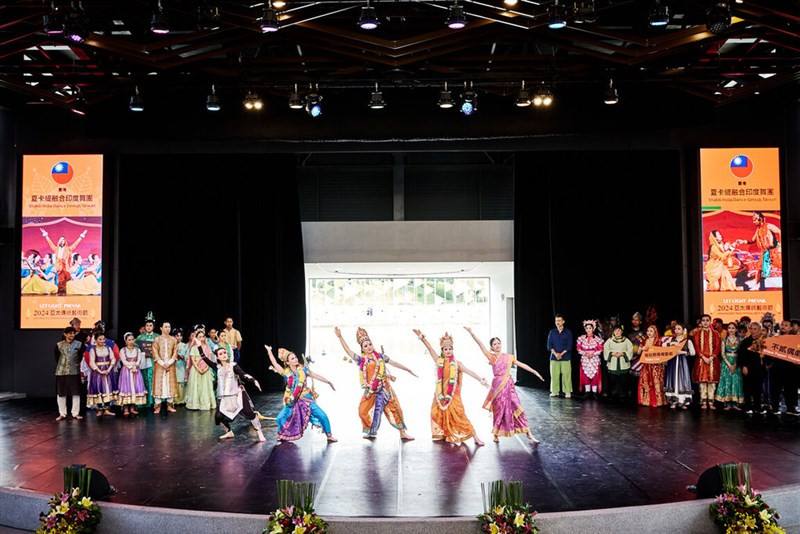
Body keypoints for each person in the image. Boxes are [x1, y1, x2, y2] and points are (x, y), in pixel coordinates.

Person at [333, 326, 417, 440]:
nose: (368, 347)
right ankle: (371, 431)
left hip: (384, 388)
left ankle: (403, 433)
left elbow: (394, 363)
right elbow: (348, 352)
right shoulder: (361, 360)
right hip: (370, 390)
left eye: (370, 344)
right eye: (365, 346)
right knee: (362, 411)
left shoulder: (381, 357)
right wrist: (340, 337)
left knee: (394, 409)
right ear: (362, 348)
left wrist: (408, 369)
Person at [464, 326, 544, 443]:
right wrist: (471, 332)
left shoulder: (508, 357)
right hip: (498, 387)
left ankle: (529, 434)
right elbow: (480, 344)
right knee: (499, 411)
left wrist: (534, 371)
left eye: (498, 343)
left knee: (518, 408)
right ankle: (495, 434)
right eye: (495, 344)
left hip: (509, 387)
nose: (497, 345)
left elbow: (521, 364)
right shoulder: (491, 357)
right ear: (492, 346)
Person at [413, 330, 487, 446]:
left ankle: (475, 437)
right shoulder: (439, 361)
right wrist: (422, 338)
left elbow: (469, 371)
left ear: (453, 349)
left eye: (450, 349)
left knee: (460, 416)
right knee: (436, 413)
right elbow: (430, 348)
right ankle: (446, 433)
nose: (448, 351)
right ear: (442, 351)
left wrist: (480, 379)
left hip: (453, 395)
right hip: (440, 394)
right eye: (445, 349)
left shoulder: (457, 364)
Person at [266, 345, 337, 443]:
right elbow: (274, 363)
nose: (295, 359)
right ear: (287, 362)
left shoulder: (303, 370)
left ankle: (329, 435)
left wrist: (328, 381)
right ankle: (282, 434)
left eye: (295, 357)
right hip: (292, 401)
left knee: (322, 415)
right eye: (292, 358)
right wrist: (269, 351)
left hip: (307, 400)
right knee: (280, 418)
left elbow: (316, 375)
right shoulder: (286, 372)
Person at [202, 346, 265, 442]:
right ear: (217, 357)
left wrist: (253, 380)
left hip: (237, 394)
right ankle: (229, 432)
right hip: (224, 397)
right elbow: (204, 358)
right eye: (221, 354)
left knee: (249, 413)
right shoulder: (217, 367)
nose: (223, 355)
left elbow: (243, 375)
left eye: (224, 353)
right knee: (218, 417)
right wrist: (199, 346)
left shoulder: (233, 366)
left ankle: (259, 432)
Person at [40, 227, 87, 296]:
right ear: (59, 241)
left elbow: (76, 244)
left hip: (65, 267)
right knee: (56, 279)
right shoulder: (56, 249)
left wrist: (81, 236)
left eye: (63, 240)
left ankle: (64, 291)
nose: (62, 241)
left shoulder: (68, 249)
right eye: (61, 240)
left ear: (65, 242)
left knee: (65, 279)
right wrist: (46, 235)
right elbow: (50, 243)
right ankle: (56, 290)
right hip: (57, 267)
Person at [767, 320, 799, 416]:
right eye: (782, 325)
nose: (783, 327)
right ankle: (775, 408)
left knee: (791, 389)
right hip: (776, 368)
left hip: (790, 368)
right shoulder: (775, 338)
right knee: (775, 389)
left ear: (790, 328)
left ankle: (791, 408)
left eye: (786, 325)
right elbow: (768, 351)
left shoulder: (795, 339)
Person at [692, 314, 721, 410]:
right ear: (701, 322)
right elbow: (696, 346)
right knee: (702, 381)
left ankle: (711, 401)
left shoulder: (716, 333)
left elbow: (718, 347)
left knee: (712, 382)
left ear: (710, 321)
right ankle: (703, 400)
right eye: (703, 320)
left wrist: (712, 357)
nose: (705, 322)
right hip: (701, 360)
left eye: (707, 320)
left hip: (713, 360)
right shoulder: (696, 333)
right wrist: (703, 357)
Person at [664, 323, 696, 410]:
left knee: (682, 379)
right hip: (672, 362)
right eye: (675, 329)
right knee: (673, 379)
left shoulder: (687, 341)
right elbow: (664, 347)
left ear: (683, 330)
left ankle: (683, 401)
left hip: (682, 362)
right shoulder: (671, 339)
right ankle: (674, 401)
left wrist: (682, 352)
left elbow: (693, 353)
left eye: (679, 329)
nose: (676, 330)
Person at [54, 327, 84, 421]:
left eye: (73, 333)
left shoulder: (79, 344)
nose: (72, 335)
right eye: (70, 333)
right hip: (61, 372)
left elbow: (81, 357)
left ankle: (75, 413)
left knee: (76, 393)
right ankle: (62, 413)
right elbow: (56, 357)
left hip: (74, 371)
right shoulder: (59, 345)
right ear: (65, 334)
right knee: (61, 393)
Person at [746, 212, 781, 290]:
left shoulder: (768, 226)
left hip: (774, 250)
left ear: (760, 219)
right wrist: (743, 241)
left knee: (780, 265)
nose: (753, 222)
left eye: (755, 220)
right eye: (753, 220)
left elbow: (779, 232)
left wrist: (780, 245)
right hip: (765, 252)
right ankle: (756, 285)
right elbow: (752, 240)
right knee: (759, 268)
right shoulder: (758, 229)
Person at [184, 329, 217, 411]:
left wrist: (205, 369)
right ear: (196, 338)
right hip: (196, 370)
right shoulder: (194, 348)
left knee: (205, 387)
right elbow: (193, 360)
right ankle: (195, 405)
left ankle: (205, 404)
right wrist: (198, 369)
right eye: (199, 337)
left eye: (203, 336)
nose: (201, 338)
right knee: (196, 387)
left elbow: (209, 360)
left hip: (206, 370)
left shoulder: (207, 348)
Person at [86, 331, 118, 417]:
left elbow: (113, 359)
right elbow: (91, 362)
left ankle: (107, 409)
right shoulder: (93, 350)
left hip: (108, 371)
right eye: (100, 339)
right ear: (96, 340)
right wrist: (100, 371)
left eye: (103, 339)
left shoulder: (108, 348)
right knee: (98, 389)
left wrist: (109, 369)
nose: (102, 341)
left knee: (108, 389)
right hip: (97, 372)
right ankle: (99, 409)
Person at [151, 321, 179, 414]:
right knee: (159, 384)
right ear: (161, 328)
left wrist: (170, 362)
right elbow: (155, 352)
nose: (168, 329)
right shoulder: (157, 339)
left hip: (170, 365)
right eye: (166, 327)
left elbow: (175, 352)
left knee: (170, 385)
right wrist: (162, 363)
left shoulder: (173, 340)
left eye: (169, 327)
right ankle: (157, 406)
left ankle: (169, 405)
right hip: (160, 365)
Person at [739, 321, 766, 416]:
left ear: (760, 330)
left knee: (758, 389)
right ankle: (747, 407)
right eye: (751, 329)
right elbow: (741, 356)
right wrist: (744, 366)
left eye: (755, 329)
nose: (753, 331)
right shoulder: (745, 342)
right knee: (747, 388)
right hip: (748, 368)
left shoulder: (764, 341)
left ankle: (758, 407)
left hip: (760, 369)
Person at [715, 322, 744, 410]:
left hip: (736, 362)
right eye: (729, 328)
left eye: (733, 328)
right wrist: (729, 364)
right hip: (726, 363)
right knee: (727, 381)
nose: (731, 330)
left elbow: (741, 354)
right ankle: (727, 402)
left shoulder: (739, 340)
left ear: (736, 329)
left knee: (736, 382)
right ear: (727, 330)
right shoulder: (724, 340)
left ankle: (735, 403)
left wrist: (735, 364)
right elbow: (722, 354)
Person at [117, 332, 147, 416]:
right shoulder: (123, 350)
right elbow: (124, 361)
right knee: (127, 389)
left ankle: (133, 407)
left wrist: (135, 366)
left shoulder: (137, 350)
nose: (131, 341)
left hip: (136, 371)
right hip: (126, 371)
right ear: (125, 341)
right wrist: (131, 367)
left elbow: (139, 360)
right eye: (129, 340)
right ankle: (126, 408)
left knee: (135, 388)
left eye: (132, 339)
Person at [637, 325, 666, 407]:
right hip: (646, 365)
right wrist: (641, 348)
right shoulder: (644, 340)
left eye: (651, 331)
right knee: (646, 382)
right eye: (648, 331)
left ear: (655, 332)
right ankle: (646, 400)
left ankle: (658, 401)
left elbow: (662, 353)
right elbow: (638, 353)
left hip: (656, 366)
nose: (649, 333)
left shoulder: (659, 341)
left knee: (656, 382)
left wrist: (650, 349)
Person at [603, 325, 633, 402]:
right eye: (616, 330)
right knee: (613, 379)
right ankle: (613, 393)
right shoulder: (609, 340)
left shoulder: (626, 340)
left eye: (619, 330)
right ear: (613, 331)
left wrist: (623, 354)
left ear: (622, 331)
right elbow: (605, 349)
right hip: (613, 363)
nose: (617, 332)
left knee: (623, 380)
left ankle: (623, 394)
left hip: (623, 363)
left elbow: (630, 350)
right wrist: (611, 354)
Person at [546, 314, 573, 398]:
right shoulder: (552, 332)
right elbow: (549, 345)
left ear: (563, 321)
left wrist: (561, 354)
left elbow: (569, 345)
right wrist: (555, 354)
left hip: (565, 357)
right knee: (554, 375)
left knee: (566, 375)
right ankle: (555, 391)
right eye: (556, 320)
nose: (557, 322)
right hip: (554, 357)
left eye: (559, 320)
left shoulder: (568, 332)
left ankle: (567, 391)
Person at [135, 312, 158, 409]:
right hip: (143, 361)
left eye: (150, 325)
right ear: (144, 326)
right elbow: (136, 350)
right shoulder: (140, 337)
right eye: (147, 325)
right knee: (143, 379)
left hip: (154, 362)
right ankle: (143, 401)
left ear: (153, 326)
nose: (149, 327)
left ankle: (152, 401)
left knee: (152, 380)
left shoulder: (157, 337)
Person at [576, 320, 604, 399]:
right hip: (585, 359)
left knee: (595, 375)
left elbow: (601, 349)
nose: (588, 330)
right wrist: (585, 353)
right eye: (587, 328)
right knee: (585, 375)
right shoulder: (581, 338)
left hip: (594, 359)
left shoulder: (598, 339)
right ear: (585, 329)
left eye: (590, 328)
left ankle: (594, 392)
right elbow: (578, 349)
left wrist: (593, 354)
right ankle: (587, 392)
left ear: (593, 329)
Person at [174, 328, 189, 405]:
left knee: (181, 382)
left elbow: (186, 357)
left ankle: (182, 399)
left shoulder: (184, 345)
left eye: (180, 336)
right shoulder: (172, 345)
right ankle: (175, 400)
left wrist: (180, 356)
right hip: (173, 366)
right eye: (177, 335)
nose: (179, 337)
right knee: (174, 381)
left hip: (181, 365)